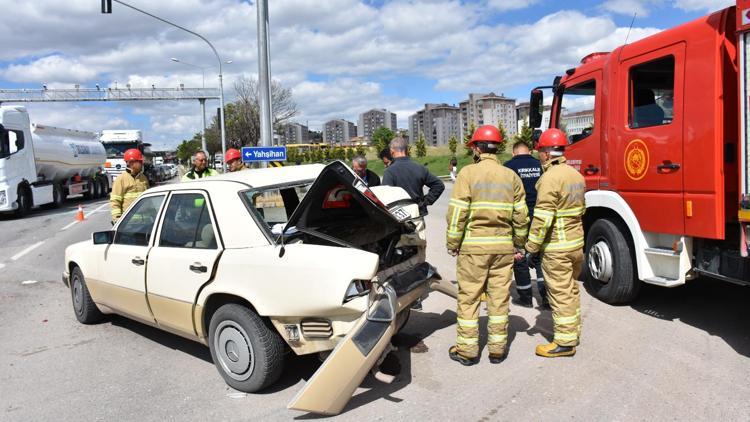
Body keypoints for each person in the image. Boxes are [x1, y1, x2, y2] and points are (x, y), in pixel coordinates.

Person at [446, 125, 529, 366]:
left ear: (475, 147)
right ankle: (497, 350)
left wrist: (453, 242)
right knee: (499, 298)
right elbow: (521, 216)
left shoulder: (467, 173)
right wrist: (518, 244)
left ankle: (468, 351)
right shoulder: (511, 176)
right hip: (503, 249)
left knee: (469, 298)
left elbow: (457, 213)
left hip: (473, 249)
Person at [525, 128, 586, 358]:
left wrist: (531, 248)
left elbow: (542, 218)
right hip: (575, 245)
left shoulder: (549, 178)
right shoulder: (576, 175)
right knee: (570, 290)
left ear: (547, 153)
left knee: (559, 293)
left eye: (540, 151)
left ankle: (564, 343)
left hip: (557, 247)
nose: (539, 155)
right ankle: (573, 332)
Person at [504, 141, 549, 309]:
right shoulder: (540, 165)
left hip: (519, 217)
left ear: (514, 153)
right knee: (539, 257)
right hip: (540, 216)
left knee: (520, 256)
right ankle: (546, 296)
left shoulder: (508, 167)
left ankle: (526, 297)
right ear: (530, 151)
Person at [382, 137, 444, 216]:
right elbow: (439, 185)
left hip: (398, 217)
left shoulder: (389, 171)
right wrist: (425, 202)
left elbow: (385, 196)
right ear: (407, 150)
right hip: (417, 214)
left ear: (392, 151)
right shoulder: (420, 168)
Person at [110, 148, 149, 224]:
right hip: (129, 224)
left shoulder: (143, 178)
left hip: (146, 223)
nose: (142, 164)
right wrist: (117, 219)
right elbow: (115, 201)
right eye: (139, 161)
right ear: (131, 163)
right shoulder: (121, 179)